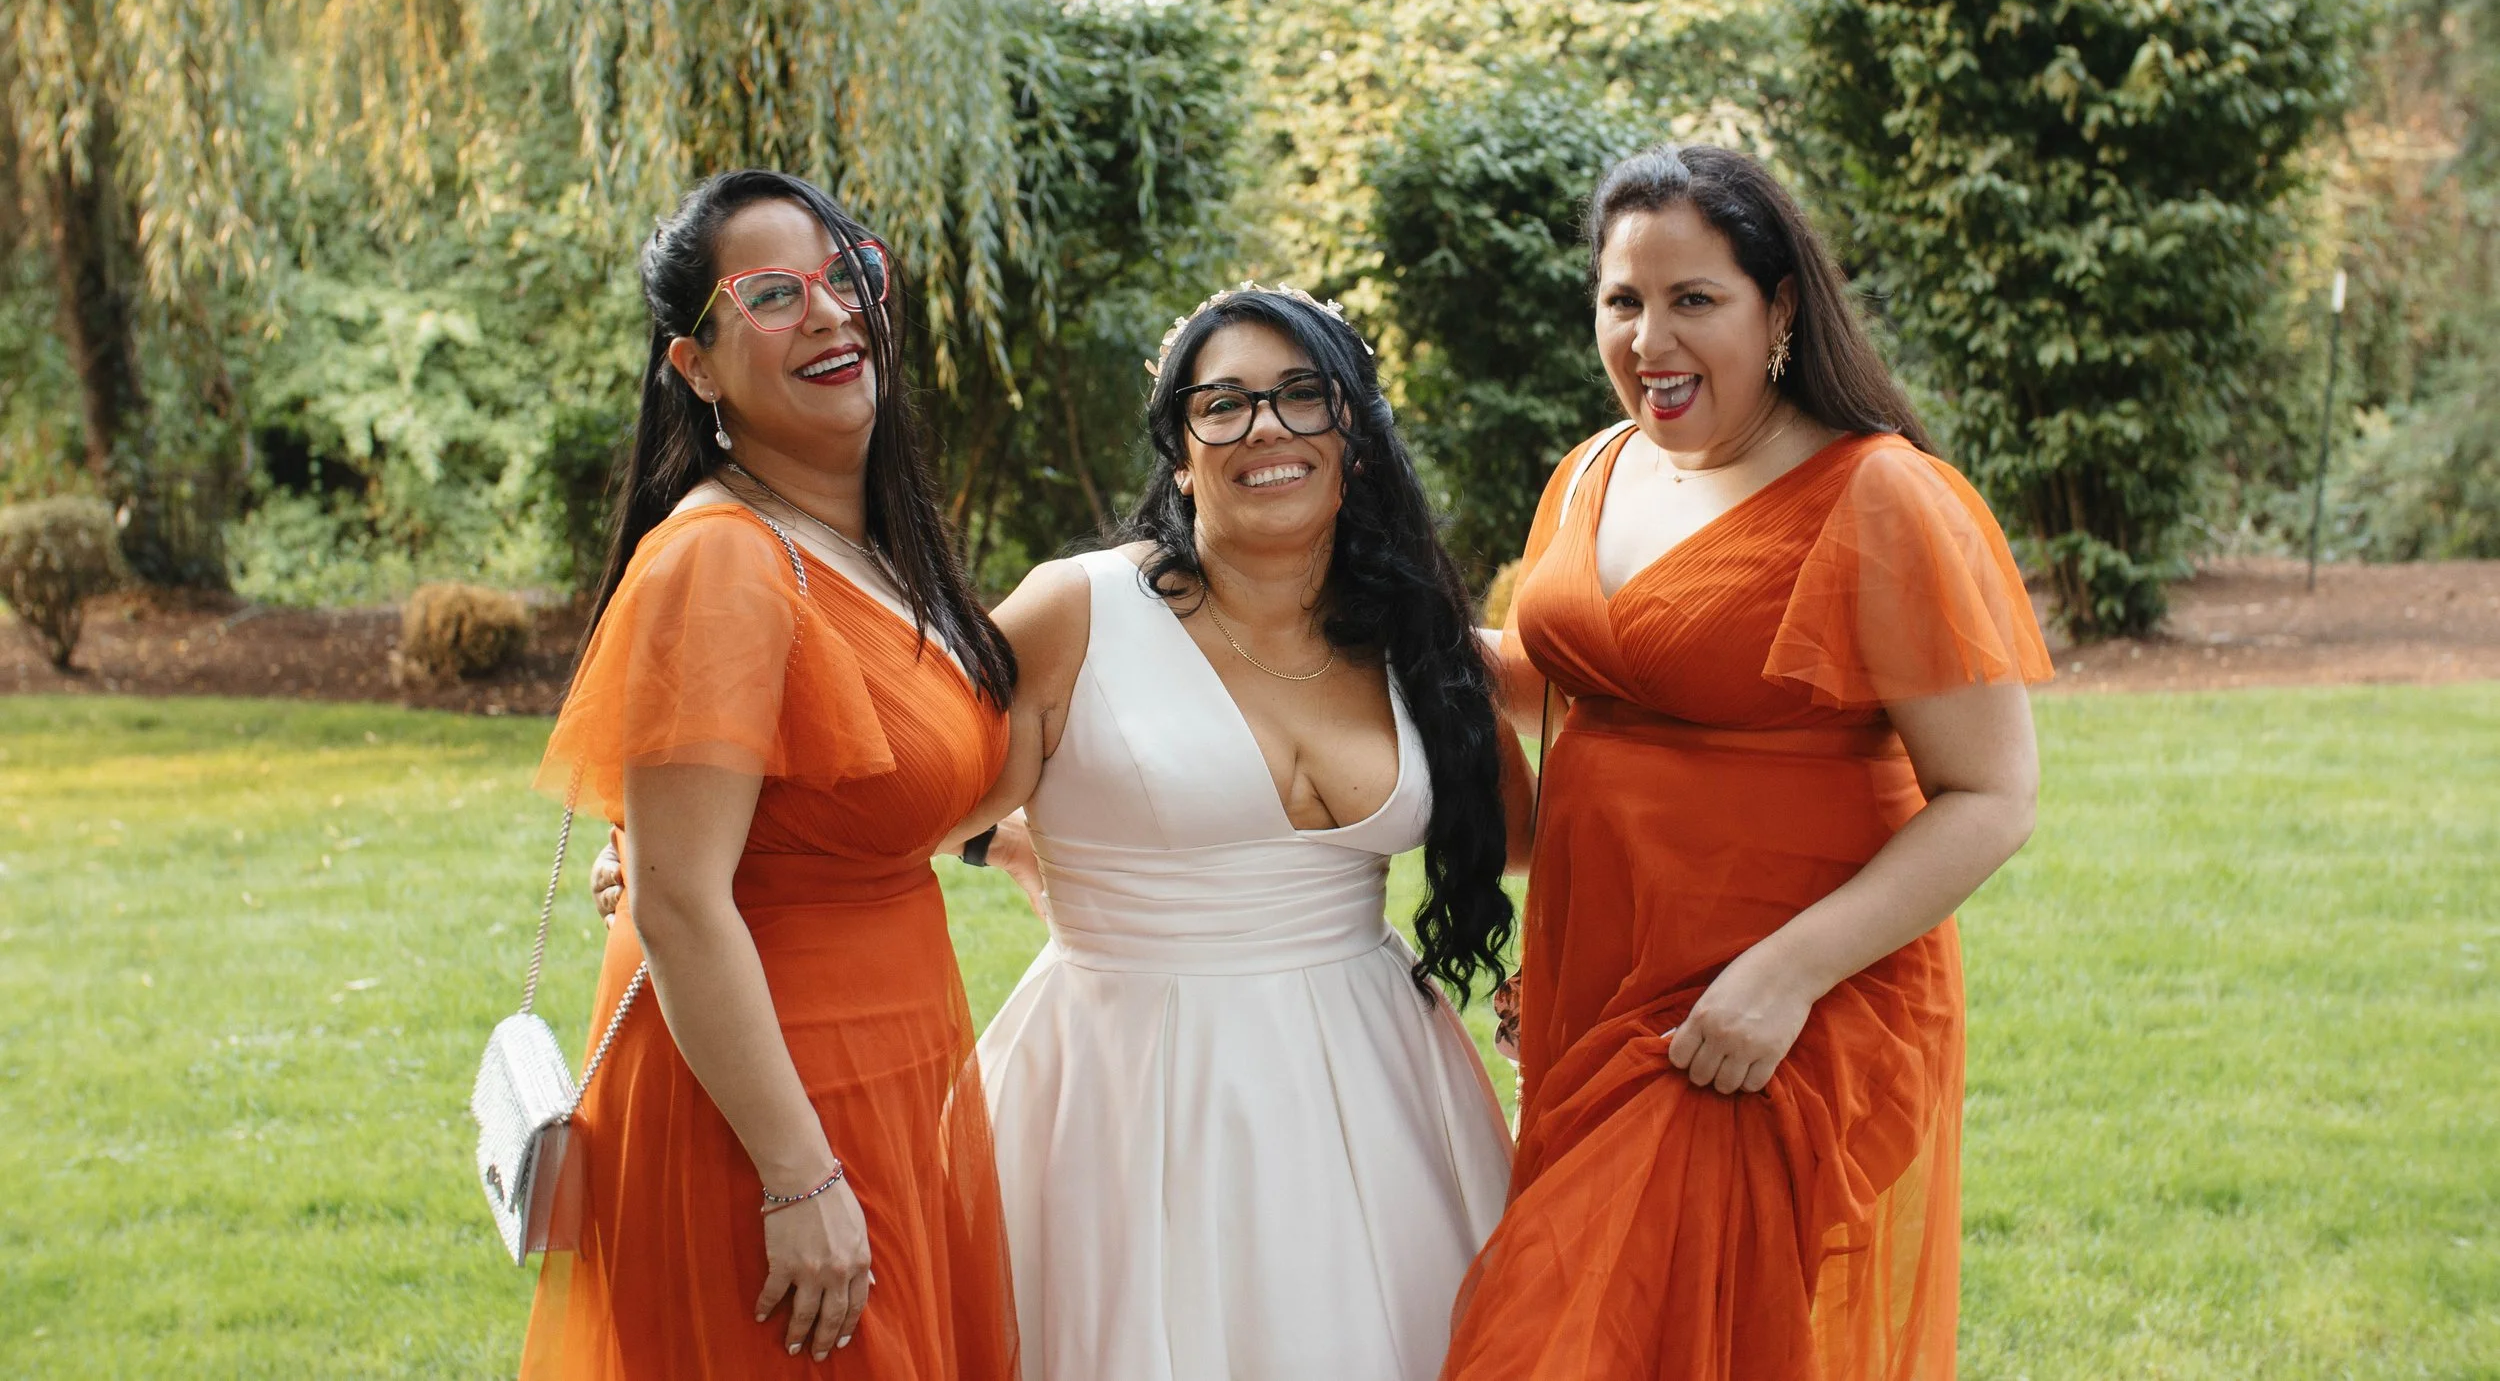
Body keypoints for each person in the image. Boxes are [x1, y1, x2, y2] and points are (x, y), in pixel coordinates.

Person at [1442, 146, 2051, 1381]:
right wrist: (1357, 614)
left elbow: (1991, 794)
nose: (1649, 338)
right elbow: (1565, 676)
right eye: (1622, 300)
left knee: (1555, 1343)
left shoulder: (1878, 495)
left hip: (1772, 1006)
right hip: (1600, 980)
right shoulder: (1592, 471)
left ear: (1777, 309)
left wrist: (1782, 976)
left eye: (1693, 299)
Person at [968, 285, 1524, 1381]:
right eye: (1222, 405)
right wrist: (702, 847)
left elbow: (1551, 826)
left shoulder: (1415, 634)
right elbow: (902, 783)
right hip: (1125, 1082)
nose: (1265, 427)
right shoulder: (1074, 610)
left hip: (1376, 1078)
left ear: (1352, 434)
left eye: (1300, 395)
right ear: (1181, 455)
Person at [520, 169, 1021, 1380]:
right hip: (771, 1105)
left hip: (889, 1057)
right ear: (695, 366)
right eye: (775, 293)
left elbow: (858, 798)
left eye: (848, 275)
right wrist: (796, 1174)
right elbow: (680, 900)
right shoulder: (722, 559)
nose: (832, 311)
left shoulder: (861, 545)